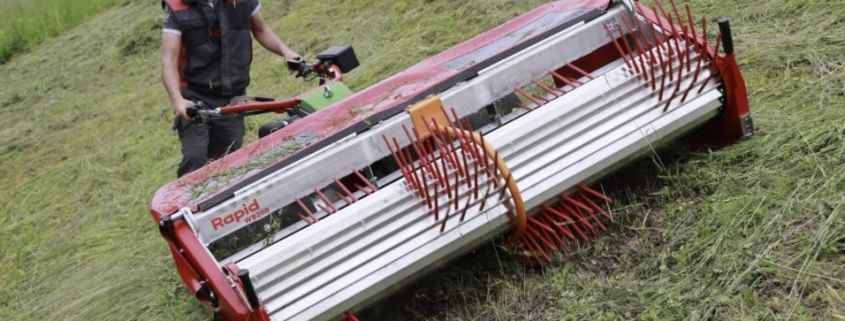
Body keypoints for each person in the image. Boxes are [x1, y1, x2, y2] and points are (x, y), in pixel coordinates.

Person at [160, 0, 300, 178]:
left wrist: (285, 51)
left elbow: (261, 30)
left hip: (232, 95)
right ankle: (187, 203)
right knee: (195, 156)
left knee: (228, 157)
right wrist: (177, 100)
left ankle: (225, 201)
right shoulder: (176, 7)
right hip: (194, 95)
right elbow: (168, 59)